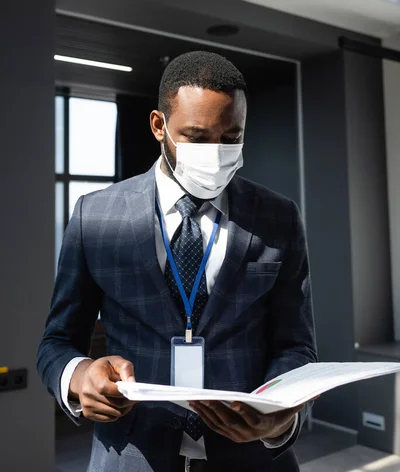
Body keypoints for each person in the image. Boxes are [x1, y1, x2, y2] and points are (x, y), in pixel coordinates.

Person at [37, 51, 317, 472]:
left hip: (252, 459)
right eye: (197, 137)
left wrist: (281, 414)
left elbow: (296, 345)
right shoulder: (94, 216)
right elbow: (56, 343)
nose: (217, 152)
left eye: (231, 137)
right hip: (131, 457)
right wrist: (78, 377)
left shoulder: (279, 217)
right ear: (158, 126)